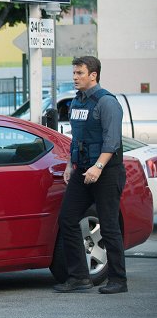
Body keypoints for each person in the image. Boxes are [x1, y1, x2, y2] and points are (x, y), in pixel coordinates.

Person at [53, 56, 127, 294]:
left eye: (79, 73)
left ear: (93, 75)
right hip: (82, 170)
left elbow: (112, 141)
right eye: (74, 73)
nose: (75, 77)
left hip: (106, 172)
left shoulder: (107, 102)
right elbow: (76, 139)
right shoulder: (76, 103)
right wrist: (68, 165)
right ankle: (79, 277)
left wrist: (98, 167)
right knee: (67, 218)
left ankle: (118, 280)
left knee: (109, 225)